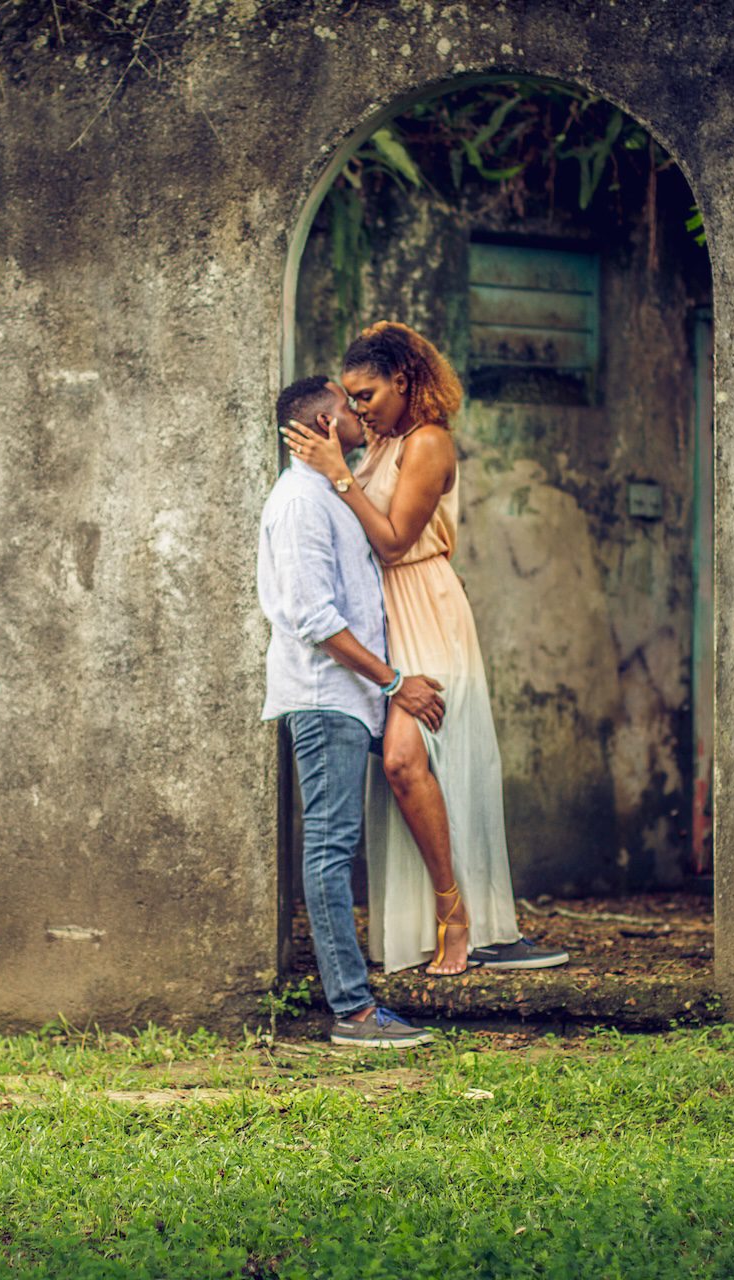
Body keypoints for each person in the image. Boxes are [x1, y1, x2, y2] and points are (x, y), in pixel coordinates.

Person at [282, 322, 569, 977]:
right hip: (388, 618)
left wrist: (338, 475)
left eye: (367, 395)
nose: (359, 410)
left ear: (404, 381)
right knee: (412, 772)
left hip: (427, 611)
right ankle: (443, 920)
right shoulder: (381, 443)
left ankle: (458, 918)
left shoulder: (429, 442)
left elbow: (392, 542)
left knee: (405, 761)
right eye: (351, 398)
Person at [259, 375, 447, 1047]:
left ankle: (468, 927)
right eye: (348, 407)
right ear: (323, 423)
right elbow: (315, 619)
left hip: (354, 698)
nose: (360, 416)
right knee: (330, 847)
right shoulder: (299, 504)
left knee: (428, 777)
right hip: (326, 697)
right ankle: (354, 1012)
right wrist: (395, 683)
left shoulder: (331, 492)